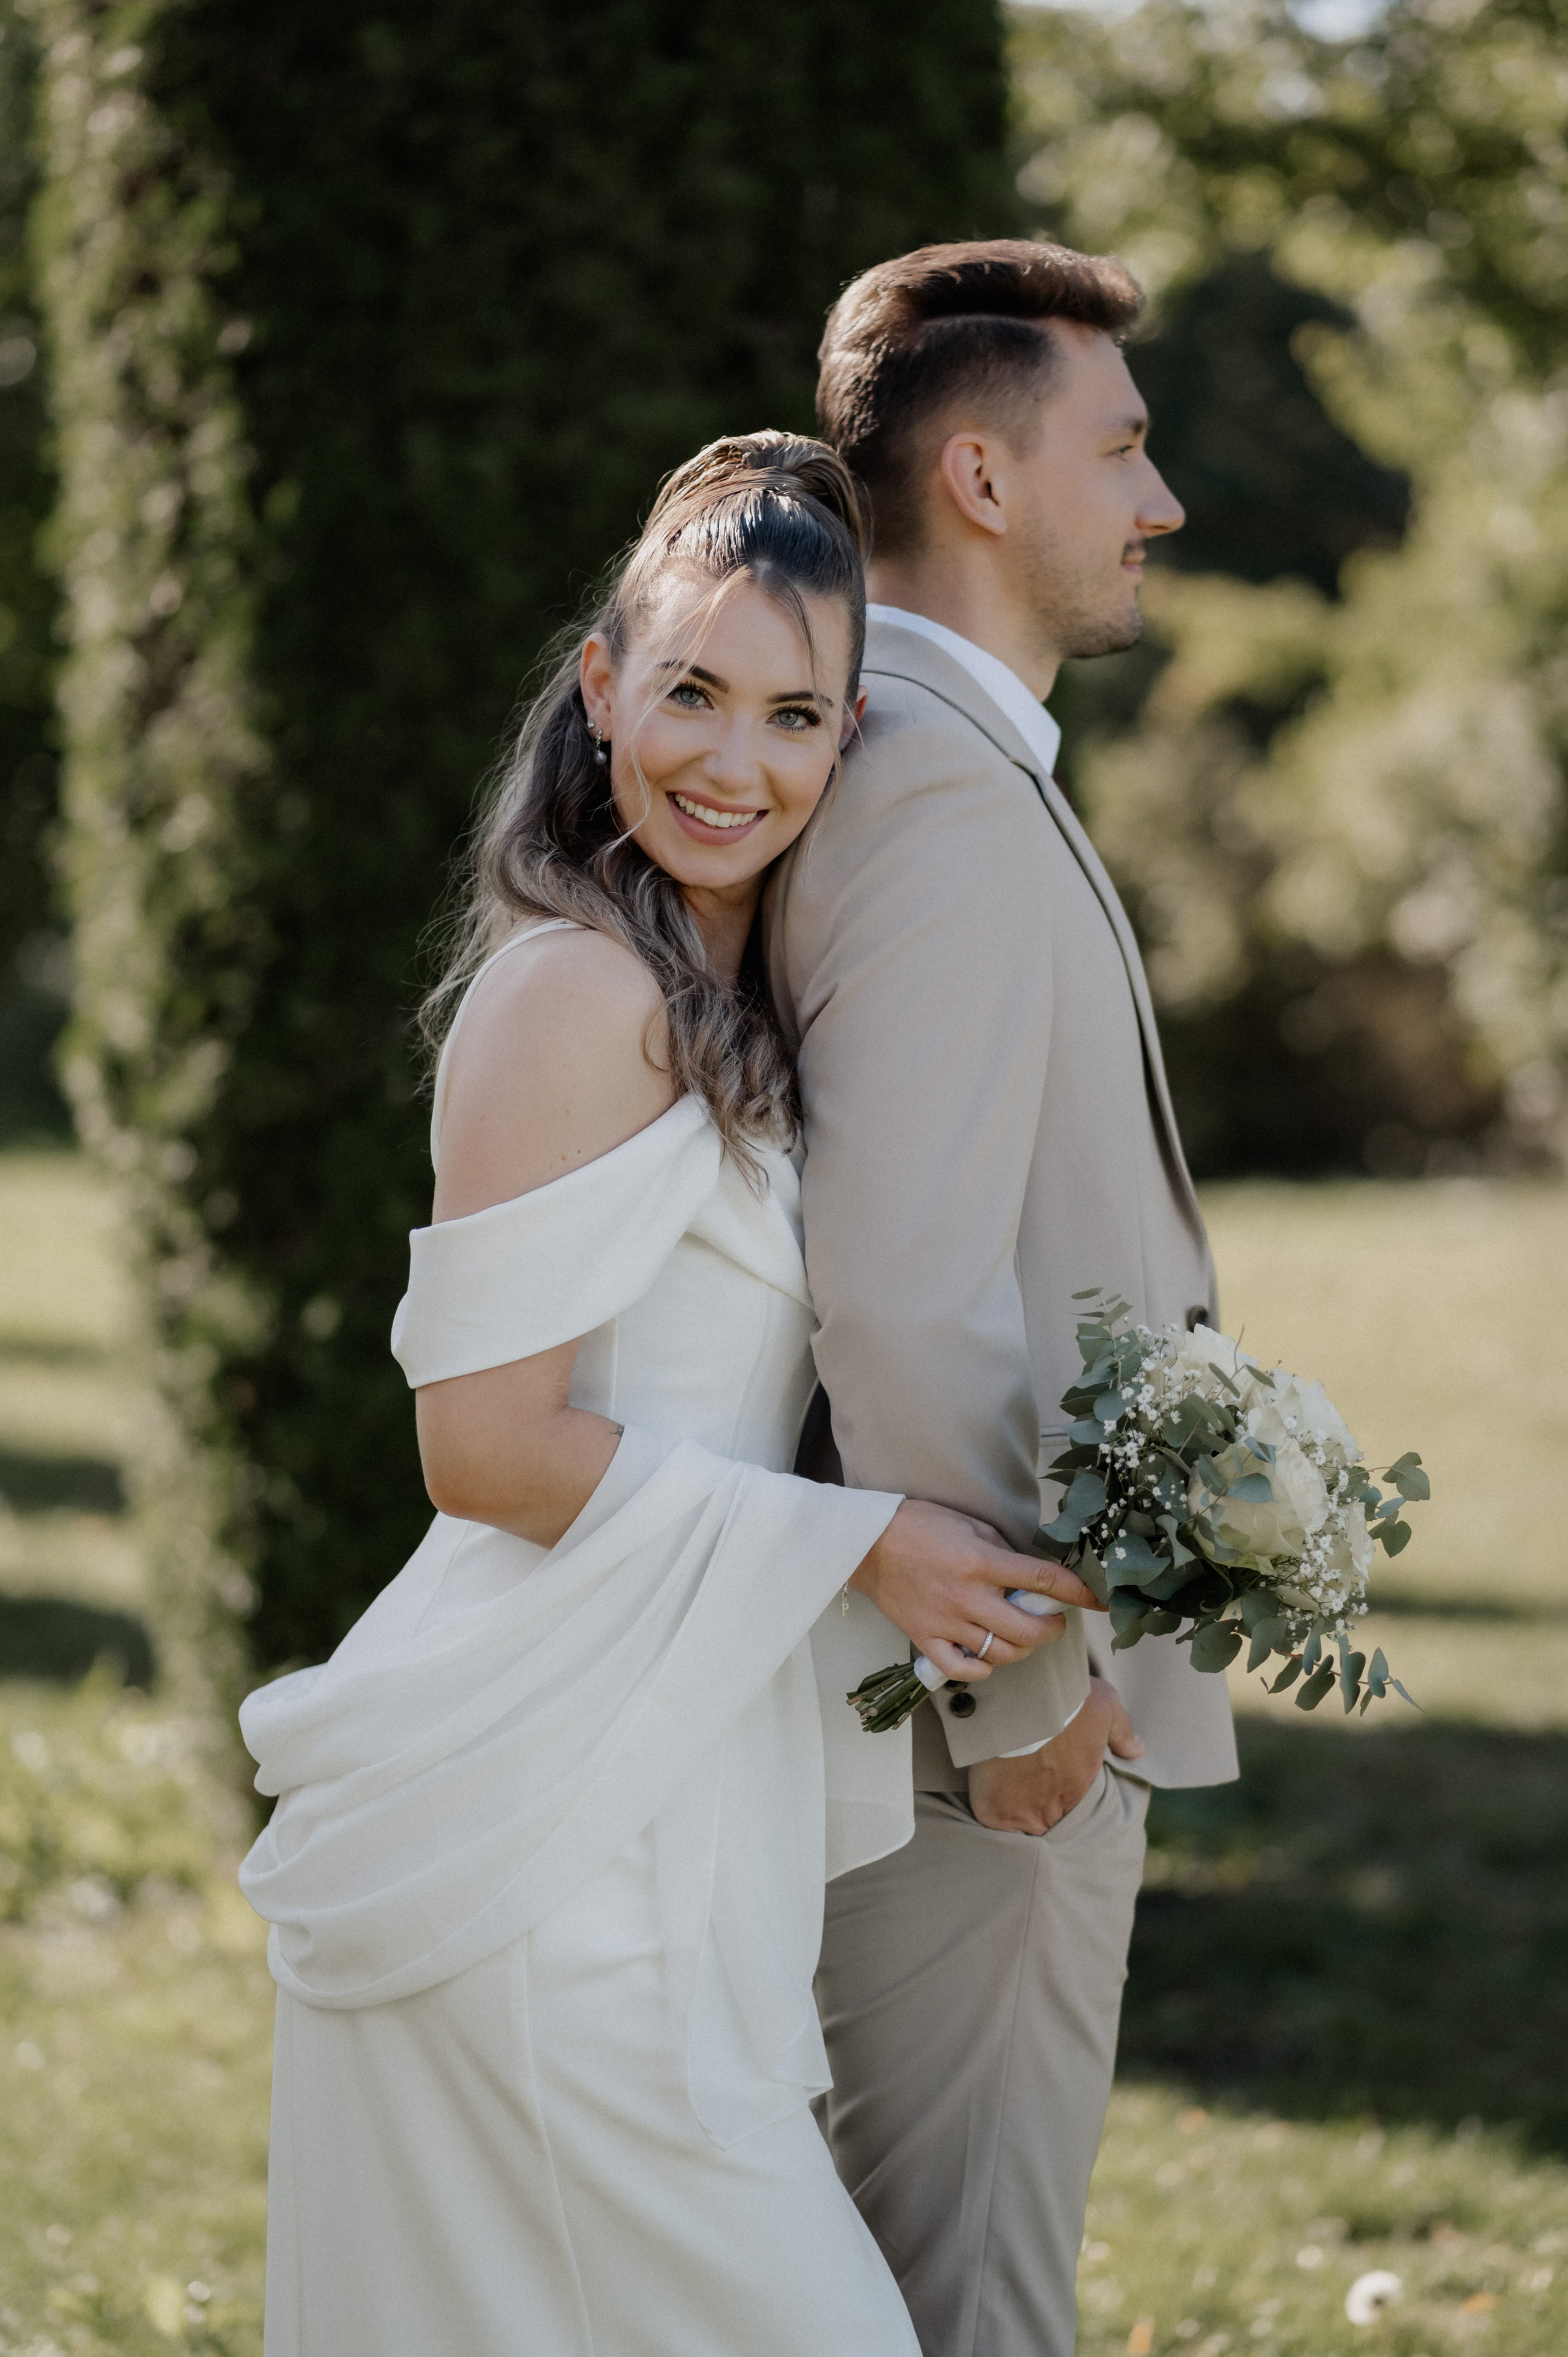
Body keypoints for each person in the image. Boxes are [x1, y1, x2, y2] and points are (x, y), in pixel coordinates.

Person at [236, 430, 1096, 2357]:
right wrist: (868, 1542)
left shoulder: (716, 990)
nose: (735, 762)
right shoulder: (572, 995)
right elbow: (480, 1447)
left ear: (848, 734)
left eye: (794, 716)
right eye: (692, 690)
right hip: (548, 1825)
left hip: (672, 1773)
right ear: (602, 680)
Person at [769, 242, 1242, 2356]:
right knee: (963, 2303)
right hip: (982, 1727)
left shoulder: (952, 766)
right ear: (978, 473)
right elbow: (898, 1292)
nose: (1160, 500)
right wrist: (1022, 1698)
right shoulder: (943, 798)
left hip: (985, 1682)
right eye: (1122, 447)